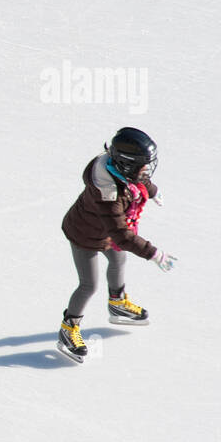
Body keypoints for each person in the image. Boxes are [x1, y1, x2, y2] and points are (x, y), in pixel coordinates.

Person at [57, 127, 177, 363]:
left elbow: (139, 179)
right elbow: (122, 235)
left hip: (108, 231)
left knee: (118, 259)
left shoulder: (118, 169)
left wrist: (152, 191)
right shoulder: (107, 194)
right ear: (126, 165)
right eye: (142, 166)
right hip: (86, 235)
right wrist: (154, 253)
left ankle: (117, 303)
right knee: (88, 285)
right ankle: (68, 329)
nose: (146, 170)